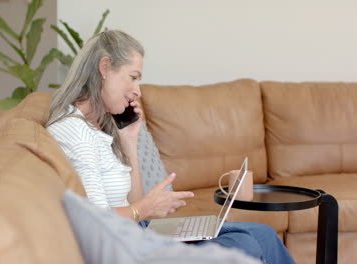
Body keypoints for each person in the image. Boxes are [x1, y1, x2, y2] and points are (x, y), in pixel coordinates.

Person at [46, 30, 295, 264]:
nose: (137, 91)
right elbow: (99, 222)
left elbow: (132, 200)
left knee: (262, 233)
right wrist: (145, 208)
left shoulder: (98, 126)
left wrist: (128, 140)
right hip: (130, 244)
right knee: (243, 244)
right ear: (104, 67)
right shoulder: (75, 132)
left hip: (137, 230)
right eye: (133, 78)